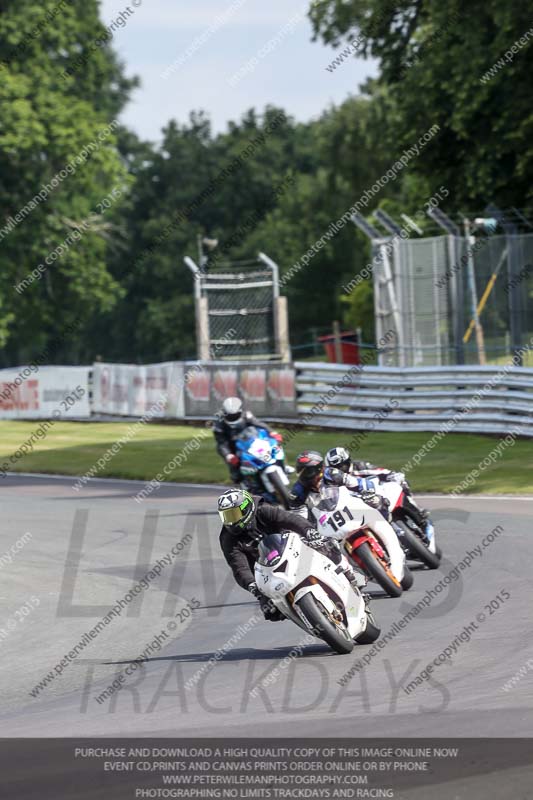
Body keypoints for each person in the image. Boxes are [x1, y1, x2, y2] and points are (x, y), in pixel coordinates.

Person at [217, 488, 365, 621]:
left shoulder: (263, 510)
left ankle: (348, 573)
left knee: (325, 545)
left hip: (290, 545)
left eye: (233, 515)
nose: (230, 521)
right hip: (265, 570)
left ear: (246, 509)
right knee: (271, 612)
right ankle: (307, 617)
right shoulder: (227, 538)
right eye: (226, 516)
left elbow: (290, 519)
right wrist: (252, 585)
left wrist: (309, 531)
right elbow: (239, 567)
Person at [325, 446, 429, 528]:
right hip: (360, 508)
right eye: (337, 468)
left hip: (379, 495)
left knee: (400, 484)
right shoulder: (333, 483)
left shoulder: (359, 466)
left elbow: (382, 472)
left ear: (348, 461)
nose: (340, 470)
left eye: (342, 465)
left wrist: (394, 476)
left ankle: (418, 512)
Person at [213, 397, 282, 482]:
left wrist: (272, 432)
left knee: (274, 448)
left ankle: (282, 466)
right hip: (232, 447)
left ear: (239, 411)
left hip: (252, 441)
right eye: (230, 415)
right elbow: (221, 443)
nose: (232, 416)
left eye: (234, 414)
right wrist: (228, 455)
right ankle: (244, 481)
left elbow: (258, 424)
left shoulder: (246, 415)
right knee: (236, 474)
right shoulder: (218, 425)